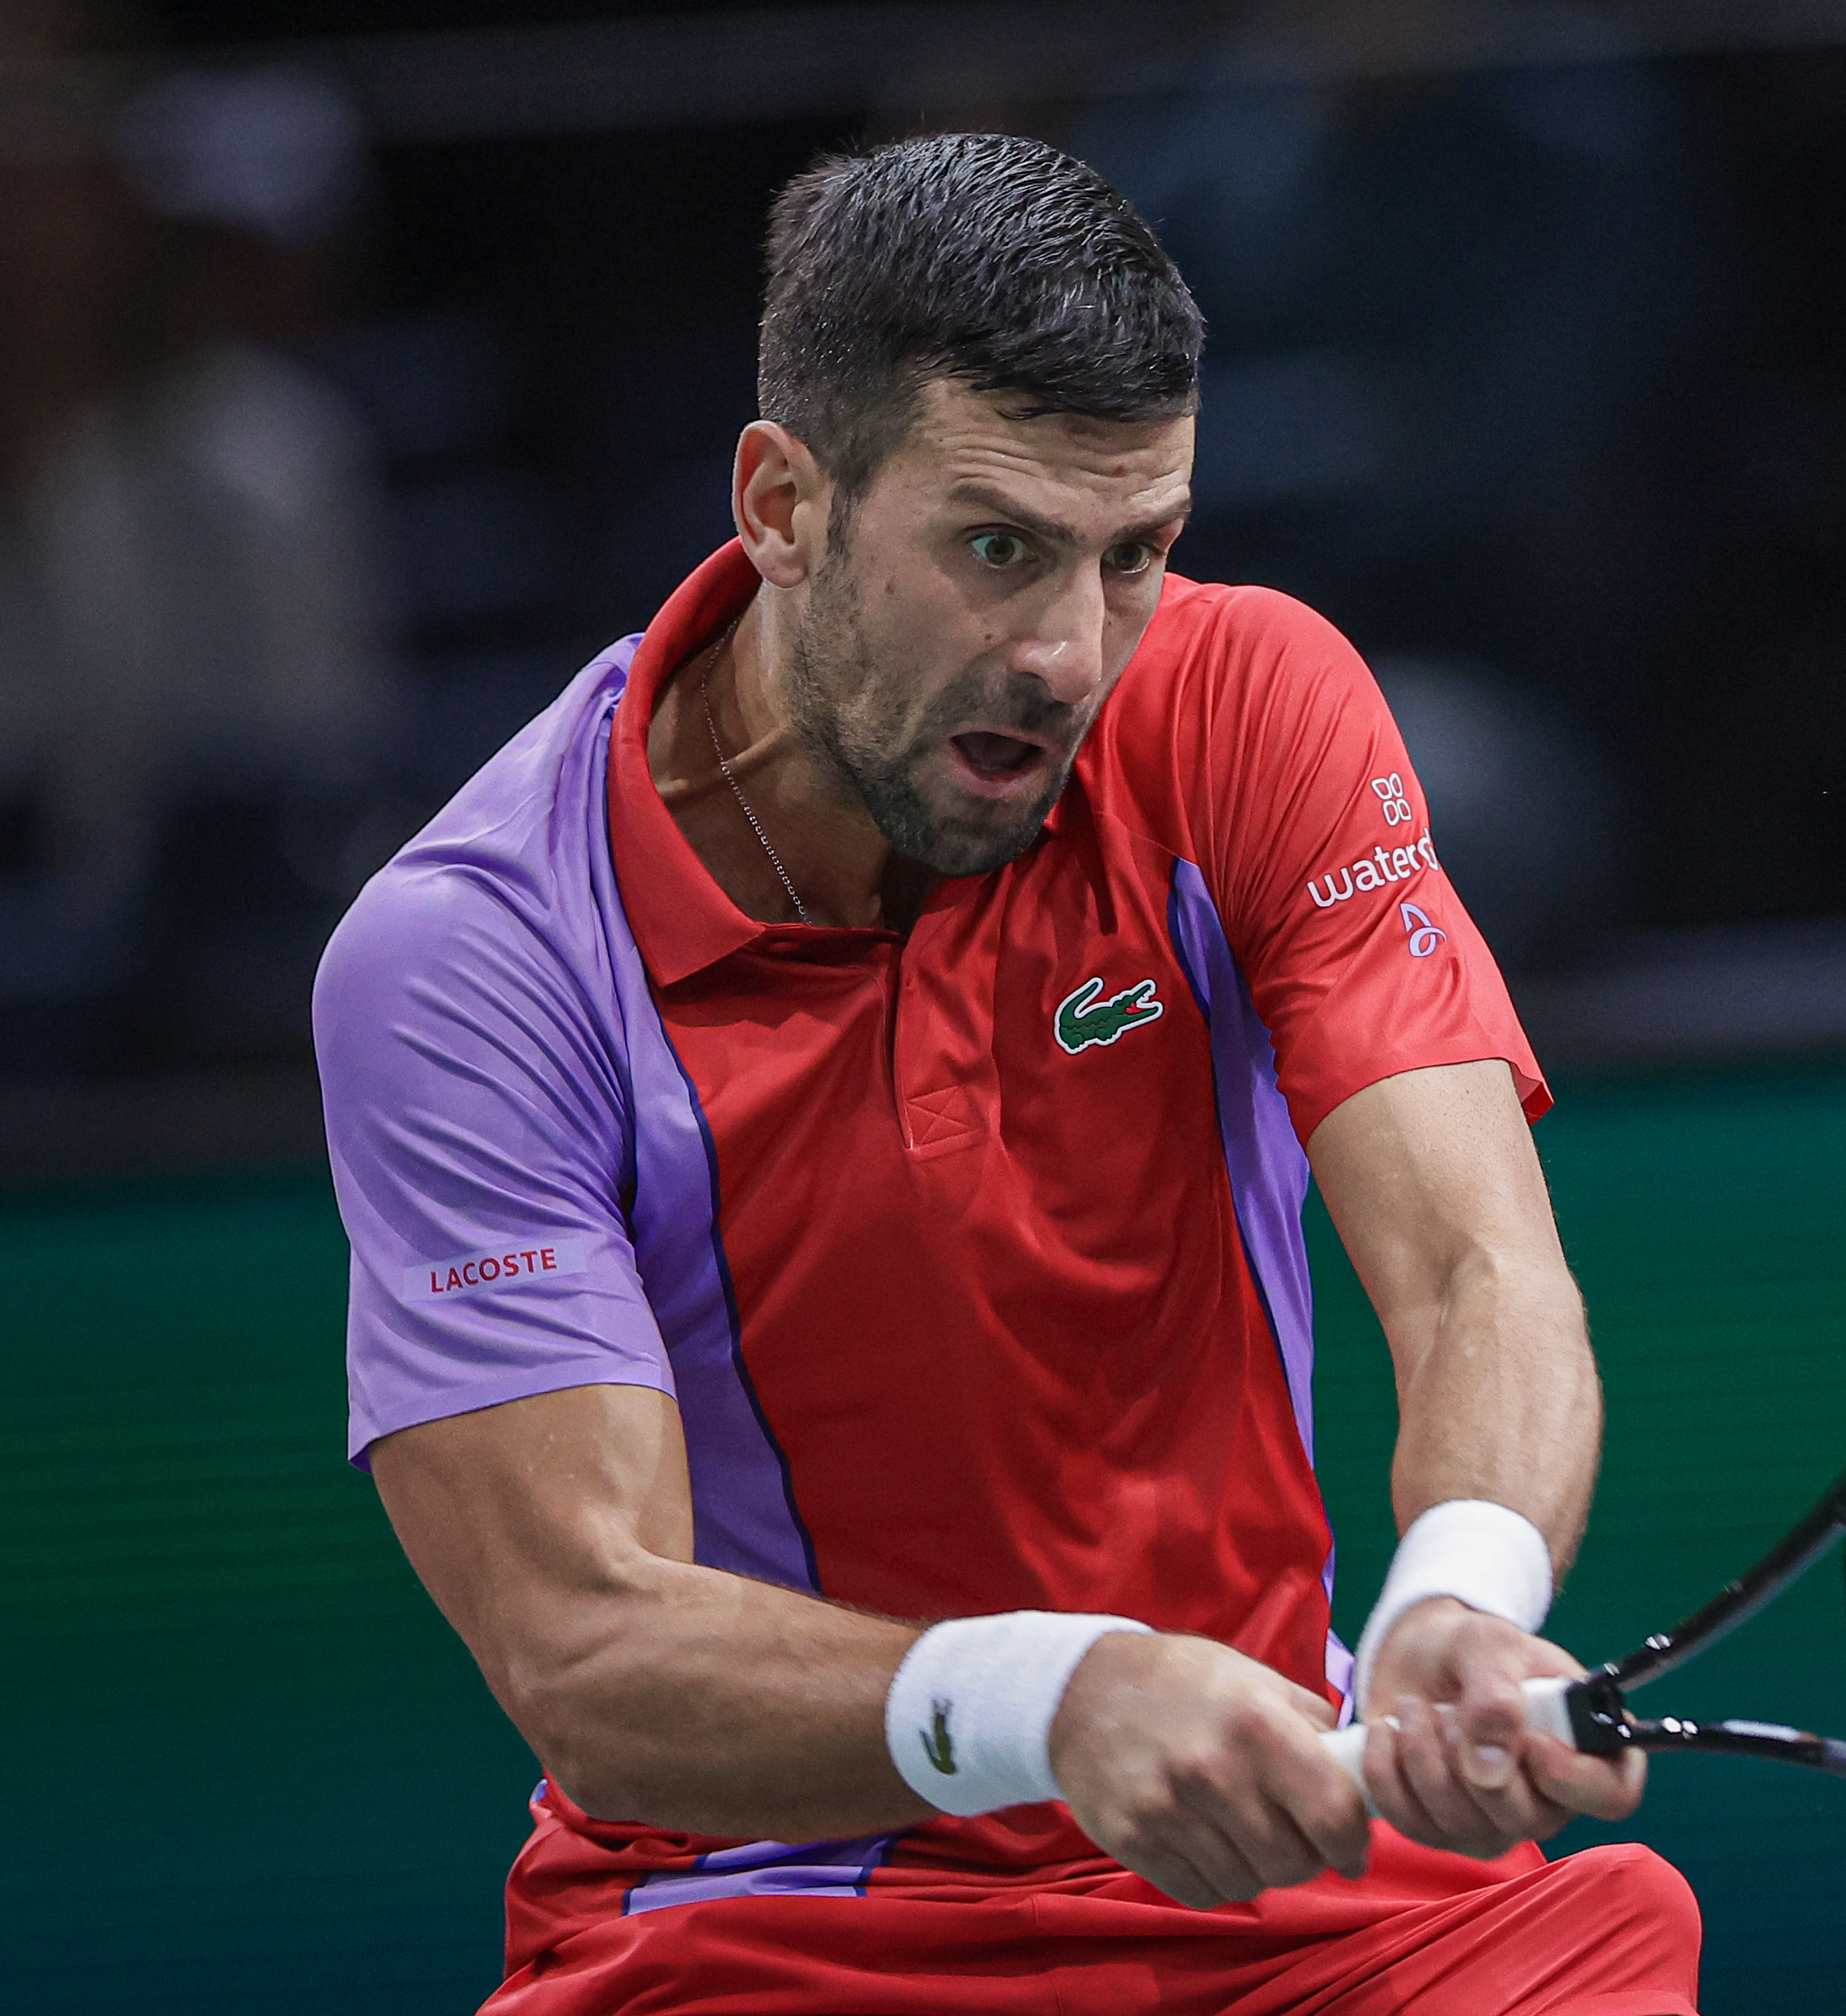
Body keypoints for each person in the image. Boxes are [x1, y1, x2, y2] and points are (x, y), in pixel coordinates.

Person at [314, 133, 1700, 2014]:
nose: (1068, 652)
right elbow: (589, 1648)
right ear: (784, 504)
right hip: (767, 1926)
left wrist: (1460, 1596)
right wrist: (1060, 1698)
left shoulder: (1240, 703)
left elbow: (1477, 1268)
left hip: (1303, 1898)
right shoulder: (478, 963)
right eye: (998, 549)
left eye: (1136, 554)